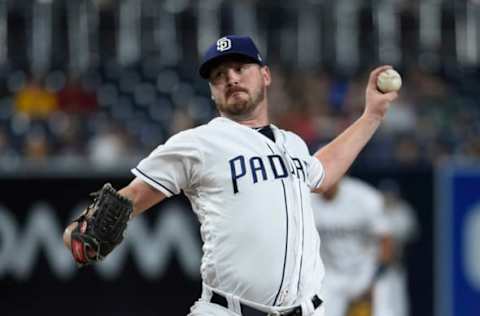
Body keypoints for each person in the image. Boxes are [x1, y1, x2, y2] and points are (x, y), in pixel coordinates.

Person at [63, 35, 398, 316]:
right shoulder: (198, 144)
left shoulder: (292, 144)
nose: (231, 78)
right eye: (219, 75)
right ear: (212, 91)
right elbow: (131, 196)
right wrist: (82, 228)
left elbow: (323, 173)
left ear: (265, 75)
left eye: (240, 68)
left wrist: (372, 114)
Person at [311, 176, 393, 316]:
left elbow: (385, 240)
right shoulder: (307, 200)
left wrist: (375, 278)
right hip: (331, 275)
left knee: (384, 311)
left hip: (365, 271)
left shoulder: (364, 197)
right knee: (316, 312)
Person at [373, 179, 418, 316]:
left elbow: (411, 235)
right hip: (375, 269)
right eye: (385, 195)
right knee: (379, 307)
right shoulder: (372, 210)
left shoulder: (403, 212)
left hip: (396, 267)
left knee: (399, 307)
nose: (388, 198)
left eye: (391, 195)